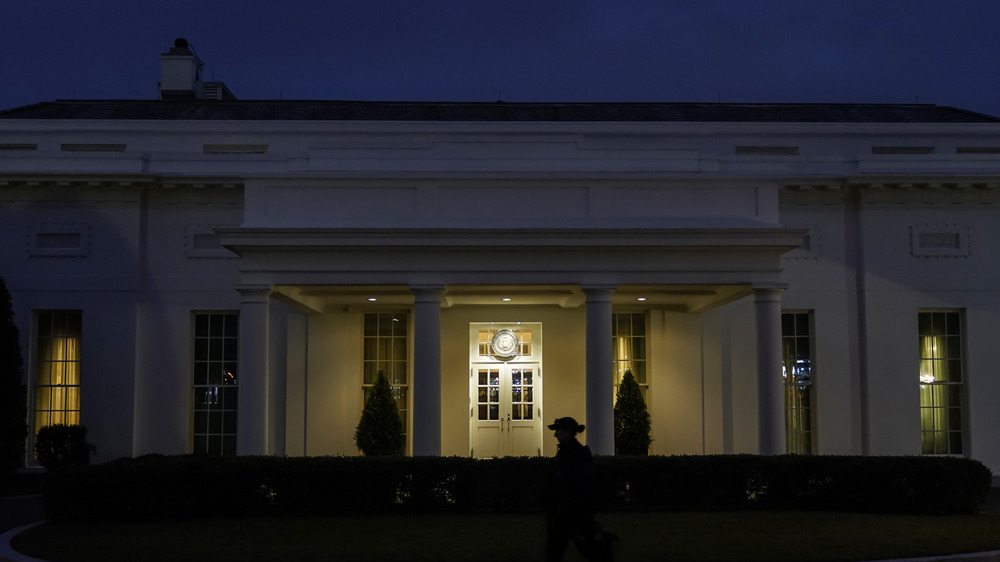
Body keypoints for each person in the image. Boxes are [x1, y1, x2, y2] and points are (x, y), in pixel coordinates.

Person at [545, 417, 615, 562]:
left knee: (586, 547)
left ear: (568, 432)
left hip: (572, 511)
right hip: (567, 510)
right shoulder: (567, 453)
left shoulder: (576, 454)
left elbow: (583, 483)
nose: (555, 434)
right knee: (558, 548)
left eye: (558, 430)